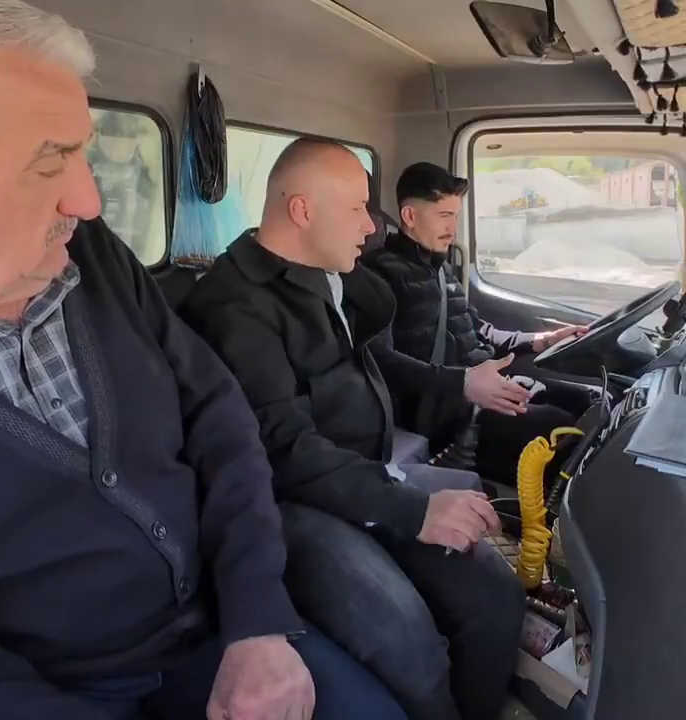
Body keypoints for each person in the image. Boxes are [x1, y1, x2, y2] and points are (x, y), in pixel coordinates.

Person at [0, 2, 406, 719]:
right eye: (51, 159)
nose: (89, 201)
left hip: (229, 628)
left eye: (84, 152)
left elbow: (221, 418)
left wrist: (257, 620)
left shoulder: (90, 257)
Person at [180, 139, 527, 720]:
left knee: (495, 594)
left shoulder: (327, 274)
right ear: (302, 211)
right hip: (293, 503)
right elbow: (283, 450)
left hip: (365, 475)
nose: (372, 226)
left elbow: (373, 358)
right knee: (408, 642)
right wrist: (413, 509)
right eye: (357, 209)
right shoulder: (233, 307)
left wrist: (459, 383)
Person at [361, 162, 595, 485]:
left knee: (585, 402)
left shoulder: (439, 269)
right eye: (444, 215)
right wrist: (464, 383)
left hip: (481, 386)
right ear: (410, 216)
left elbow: (477, 330)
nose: (452, 228)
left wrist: (541, 340)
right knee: (562, 428)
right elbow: (378, 363)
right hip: (444, 412)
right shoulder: (379, 275)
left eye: (456, 216)